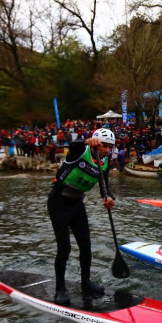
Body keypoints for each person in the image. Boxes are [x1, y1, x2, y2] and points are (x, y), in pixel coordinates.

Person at [47, 128, 116, 305]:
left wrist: (108, 197)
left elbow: (104, 184)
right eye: (104, 146)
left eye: (110, 147)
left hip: (77, 204)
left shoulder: (105, 162)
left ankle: (86, 283)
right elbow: (71, 144)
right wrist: (86, 141)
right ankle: (60, 289)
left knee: (86, 246)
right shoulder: (80, 151)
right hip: (59, 202)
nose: (107, 150)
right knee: (65, 248)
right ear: (96, 144)